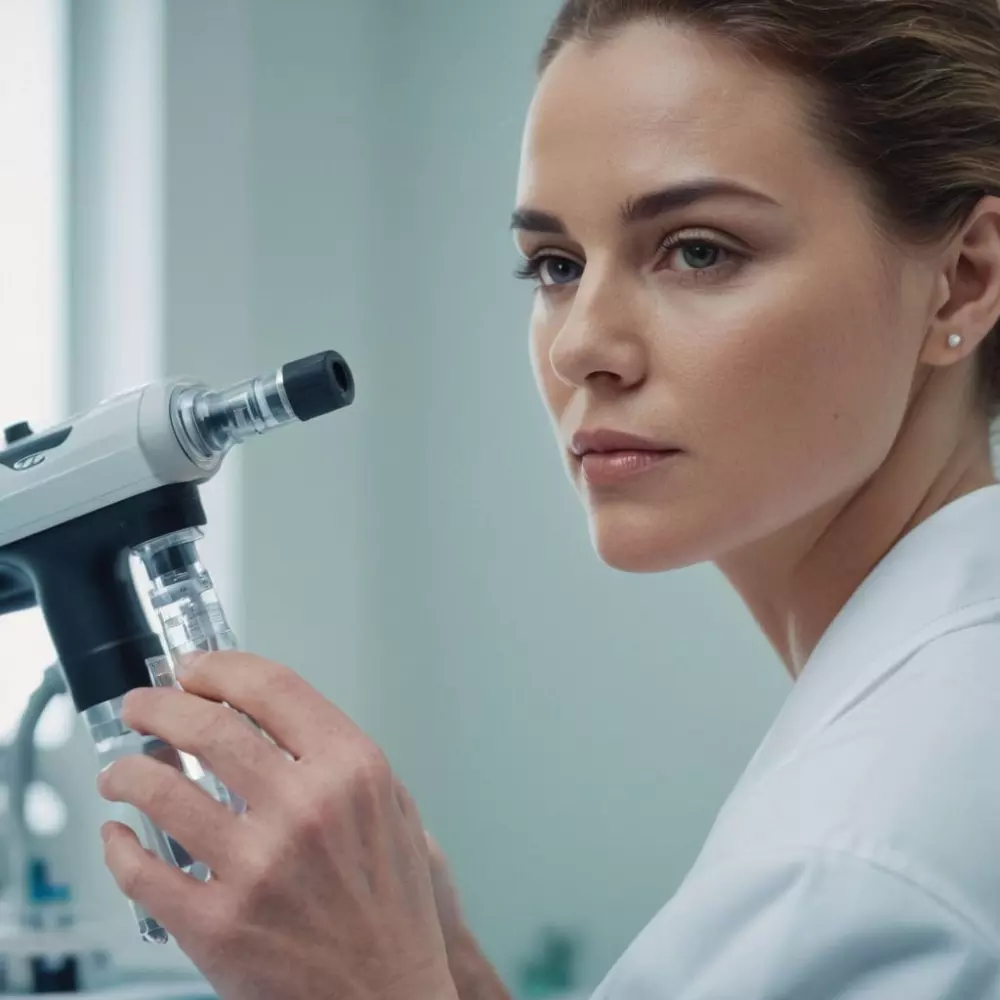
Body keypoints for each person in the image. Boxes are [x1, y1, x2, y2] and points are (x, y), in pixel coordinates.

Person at [96, 0, 1000, 996]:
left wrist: (369, 985)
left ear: (962, 281)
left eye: (698, 249)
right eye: (555, 266)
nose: (579, 347)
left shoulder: (863, 867)